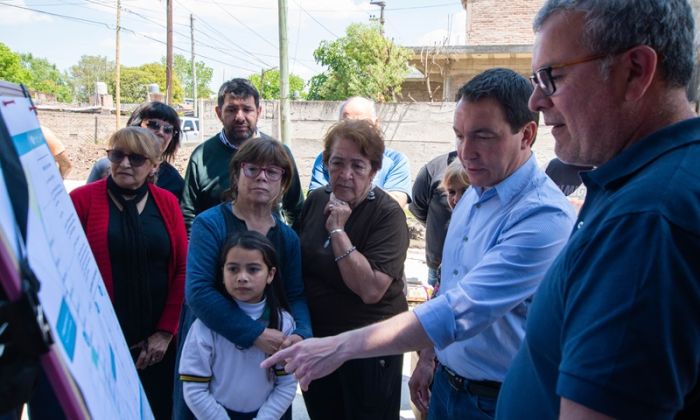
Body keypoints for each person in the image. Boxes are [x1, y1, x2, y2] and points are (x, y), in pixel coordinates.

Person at [262, 68, 576, 420]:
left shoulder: (542, 217)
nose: (465, 152)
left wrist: (339, 347)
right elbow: (449, 285)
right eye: (459, 135)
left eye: (483, 136)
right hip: (447, 385)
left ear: (527, 135)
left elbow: (459, 310)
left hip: (499, 400)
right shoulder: (474, 194)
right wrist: (427, 359)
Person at [495, 1, 700, 418]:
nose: (535, 100)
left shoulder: (645, 221)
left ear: (636, 71)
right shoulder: (646, 183)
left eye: (551, 77)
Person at [173, 137, 312, 420]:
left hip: (267, 360)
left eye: (272, 172)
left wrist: (301, 334)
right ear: (236, 173)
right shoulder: (210, 223)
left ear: (283, 183)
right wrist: (254, 334)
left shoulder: (286, 238)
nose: (262, 177)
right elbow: (198, 292)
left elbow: (295, 294)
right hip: (213, 349)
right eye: (253, 169)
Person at [70, 127, 187, 419]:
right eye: (117, 155)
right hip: (101, 343)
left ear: (154, 165)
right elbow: (68, 271)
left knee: (157, 409)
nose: (124, 164)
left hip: (158, 348)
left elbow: (183, 268)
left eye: (136, 158)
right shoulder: (82, 200)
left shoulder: (167, 203)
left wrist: (165, 332)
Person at [298, 119, 409, 419]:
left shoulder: (387, 215)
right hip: (319, 343)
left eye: (358, 166)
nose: (346, 175)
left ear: (374, 171)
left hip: (369, 351)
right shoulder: (316, 200)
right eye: (337, 163)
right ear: (325, 163)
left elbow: (371, 290)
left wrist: (338, 231)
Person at [179, 231, 297, 420]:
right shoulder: (207, 324)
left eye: (253, 269)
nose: (242, 277)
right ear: (222, 273)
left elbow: (287, 384)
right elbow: (194, 387)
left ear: (271, 274)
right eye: (233, 269)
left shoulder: (283, 323)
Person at [181, 78, 304, 231]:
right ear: (219, 113)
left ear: (258, 112)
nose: (239, 117)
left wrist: (287, 244)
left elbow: (296, 210)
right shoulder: (201, 157)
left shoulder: (281, 154)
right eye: (231, 110)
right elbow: (188, 215)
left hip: (271, 251)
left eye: (247, 109)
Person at [308, 96, 412, 207]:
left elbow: (395, 203)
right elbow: (315, 201)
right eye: (346, 122)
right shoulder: (326, 157)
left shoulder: (396, 161)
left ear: (376, 124)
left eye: (362, 123)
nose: (354, 129)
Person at [86, 102, 185, 199]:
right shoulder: (103, 166)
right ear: (136, 126)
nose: (160, 132)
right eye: (153, 124)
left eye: (168, 129)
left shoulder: (174, 182)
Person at [408, 150, 457, 286]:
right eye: (451, 192)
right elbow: (417, 206)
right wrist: (437, 227)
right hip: (438, 263)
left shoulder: (494, 169)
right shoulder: (436, 167)